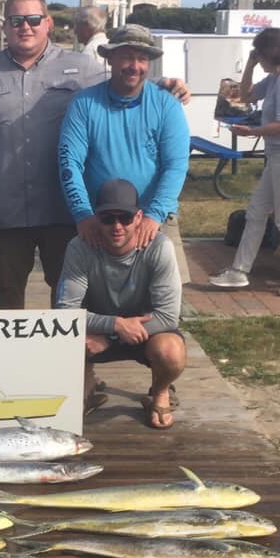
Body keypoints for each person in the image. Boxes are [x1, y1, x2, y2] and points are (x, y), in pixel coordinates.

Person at [0, 0, 189, 310]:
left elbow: (126, 80)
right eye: (17, 20)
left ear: (48, 23)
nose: (25, 27)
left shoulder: (82, 67)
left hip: (62, 212)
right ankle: (9, 360)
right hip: (6, 210)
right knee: (5, 295)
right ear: (5, 26)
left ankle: (74, 360)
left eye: (33, 20)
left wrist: (167, 85)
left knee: (71, 296)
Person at [56, 178, 185, 429]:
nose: (117, 226)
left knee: (171, 352)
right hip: (100, 332)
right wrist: (115, 325)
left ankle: (160, 391)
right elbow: (64, 312)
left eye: (125, 218)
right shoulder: (79, 247)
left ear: (138, 217)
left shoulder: (159, 247)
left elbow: (169, 317)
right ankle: (87, 383)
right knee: (66, 343)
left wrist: (115, 334)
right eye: (107, 218)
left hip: (148, 332)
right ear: (96, 218)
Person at [58, 24, 190, 264]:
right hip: (101, 222)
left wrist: (153, 216)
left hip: (156, 218)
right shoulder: (83, 104)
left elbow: (176, 165)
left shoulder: (167, 105)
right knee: (94, 296)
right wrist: (82, 214)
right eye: (127, 57)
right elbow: (69, 163)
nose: (135, 66)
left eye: (142, 58)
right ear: (109, 58)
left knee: (164, 298)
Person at [208, 27, 280, 298]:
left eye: (259, 53)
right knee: (256, 212)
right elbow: (244, 96)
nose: (258, 57)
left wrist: (251, 132)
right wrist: (249, 64)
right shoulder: (276, 76)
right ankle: (239, 272)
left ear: (268, 53)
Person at [74, 5, 108, 70]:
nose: (75, 31)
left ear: (87, 25)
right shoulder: (112, 47)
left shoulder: (90, 52)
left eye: (77, 25)